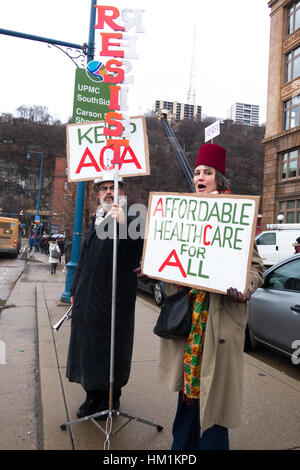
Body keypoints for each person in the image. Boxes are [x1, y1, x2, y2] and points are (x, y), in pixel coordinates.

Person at [153, 143, 264, 450]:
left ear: (220, 180)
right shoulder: (184, 215)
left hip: (218, 325)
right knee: (188, 394)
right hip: (189, 325)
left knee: (213, 403)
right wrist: (153, 269)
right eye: (198, 172)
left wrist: (246, 288)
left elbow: (256, 267)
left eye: (207, 172)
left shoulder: (237, 217)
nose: (200, 177)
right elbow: (172, 258)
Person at [66, 172, 143, 420]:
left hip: (113, 302)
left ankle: (110, 397)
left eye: (115, 187)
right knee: (87, 349)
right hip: (88, 298)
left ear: (123, 191)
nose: (109, 192)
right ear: (98, 193)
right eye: (105, 188)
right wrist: (75, 288)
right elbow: (85, 258)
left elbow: (136, 254)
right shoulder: (96, 218)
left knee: (110, 351)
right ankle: (91, 396)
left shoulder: (133, 216)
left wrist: (123, 227)